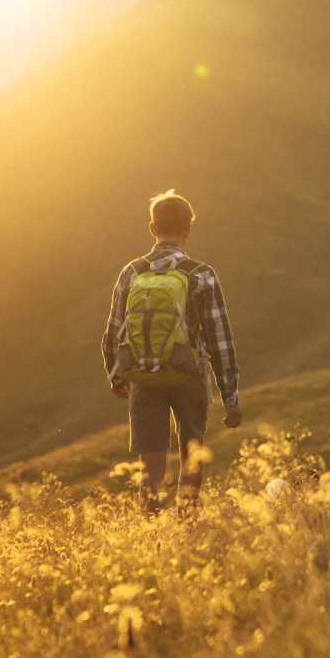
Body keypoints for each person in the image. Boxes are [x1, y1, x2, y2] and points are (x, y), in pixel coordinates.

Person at [102, 190, 242, 514]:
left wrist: (116, 376)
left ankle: (152, 530)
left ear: (152, 229)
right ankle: (187, 523)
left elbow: (112, 333)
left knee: (150, 460)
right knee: (192, 450)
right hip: (188, 371)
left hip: (142, 374)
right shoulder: (200, 273)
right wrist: (230, 396)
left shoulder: (131, 272)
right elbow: (219, 339)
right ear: (188, 230)